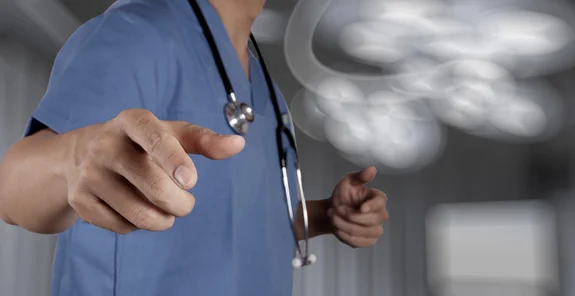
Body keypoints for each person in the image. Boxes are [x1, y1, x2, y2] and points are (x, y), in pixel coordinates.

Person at [0, 0, 390, 295]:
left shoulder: (265, 90)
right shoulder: (138, 32)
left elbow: (236, 219)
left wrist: (325, 216)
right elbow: (11, 191)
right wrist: (75, 158)